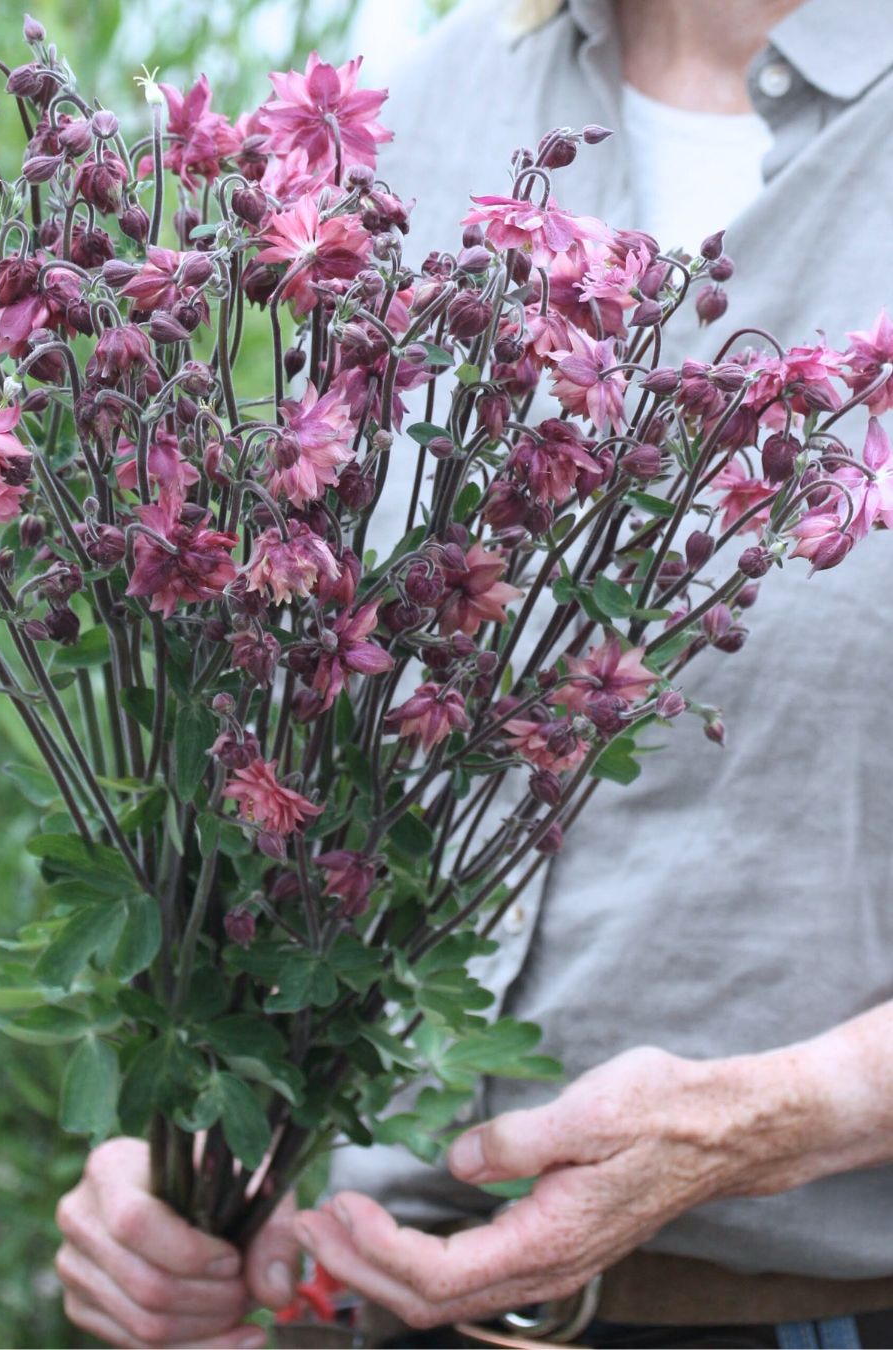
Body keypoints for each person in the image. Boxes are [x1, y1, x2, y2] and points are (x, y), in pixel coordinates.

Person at [54, 2, 893, 1345]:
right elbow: (287, 705)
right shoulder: (407, 112)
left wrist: (776, 1116)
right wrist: (190, 1167)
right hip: (357, 1310)